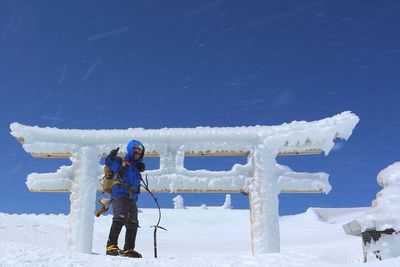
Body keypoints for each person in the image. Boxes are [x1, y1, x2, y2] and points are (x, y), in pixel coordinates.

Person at [105, 140, 145, 258]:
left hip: (132, 198)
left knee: (133, 222)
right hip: (120, 194)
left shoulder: (136, 167)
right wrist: (111, 156)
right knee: (119, 219)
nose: (137, 153)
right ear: (130, 150)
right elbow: (109, 162)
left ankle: (129, 249)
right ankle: (111, 246)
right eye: (135, 150)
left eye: (139, 152)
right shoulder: (120, 161)